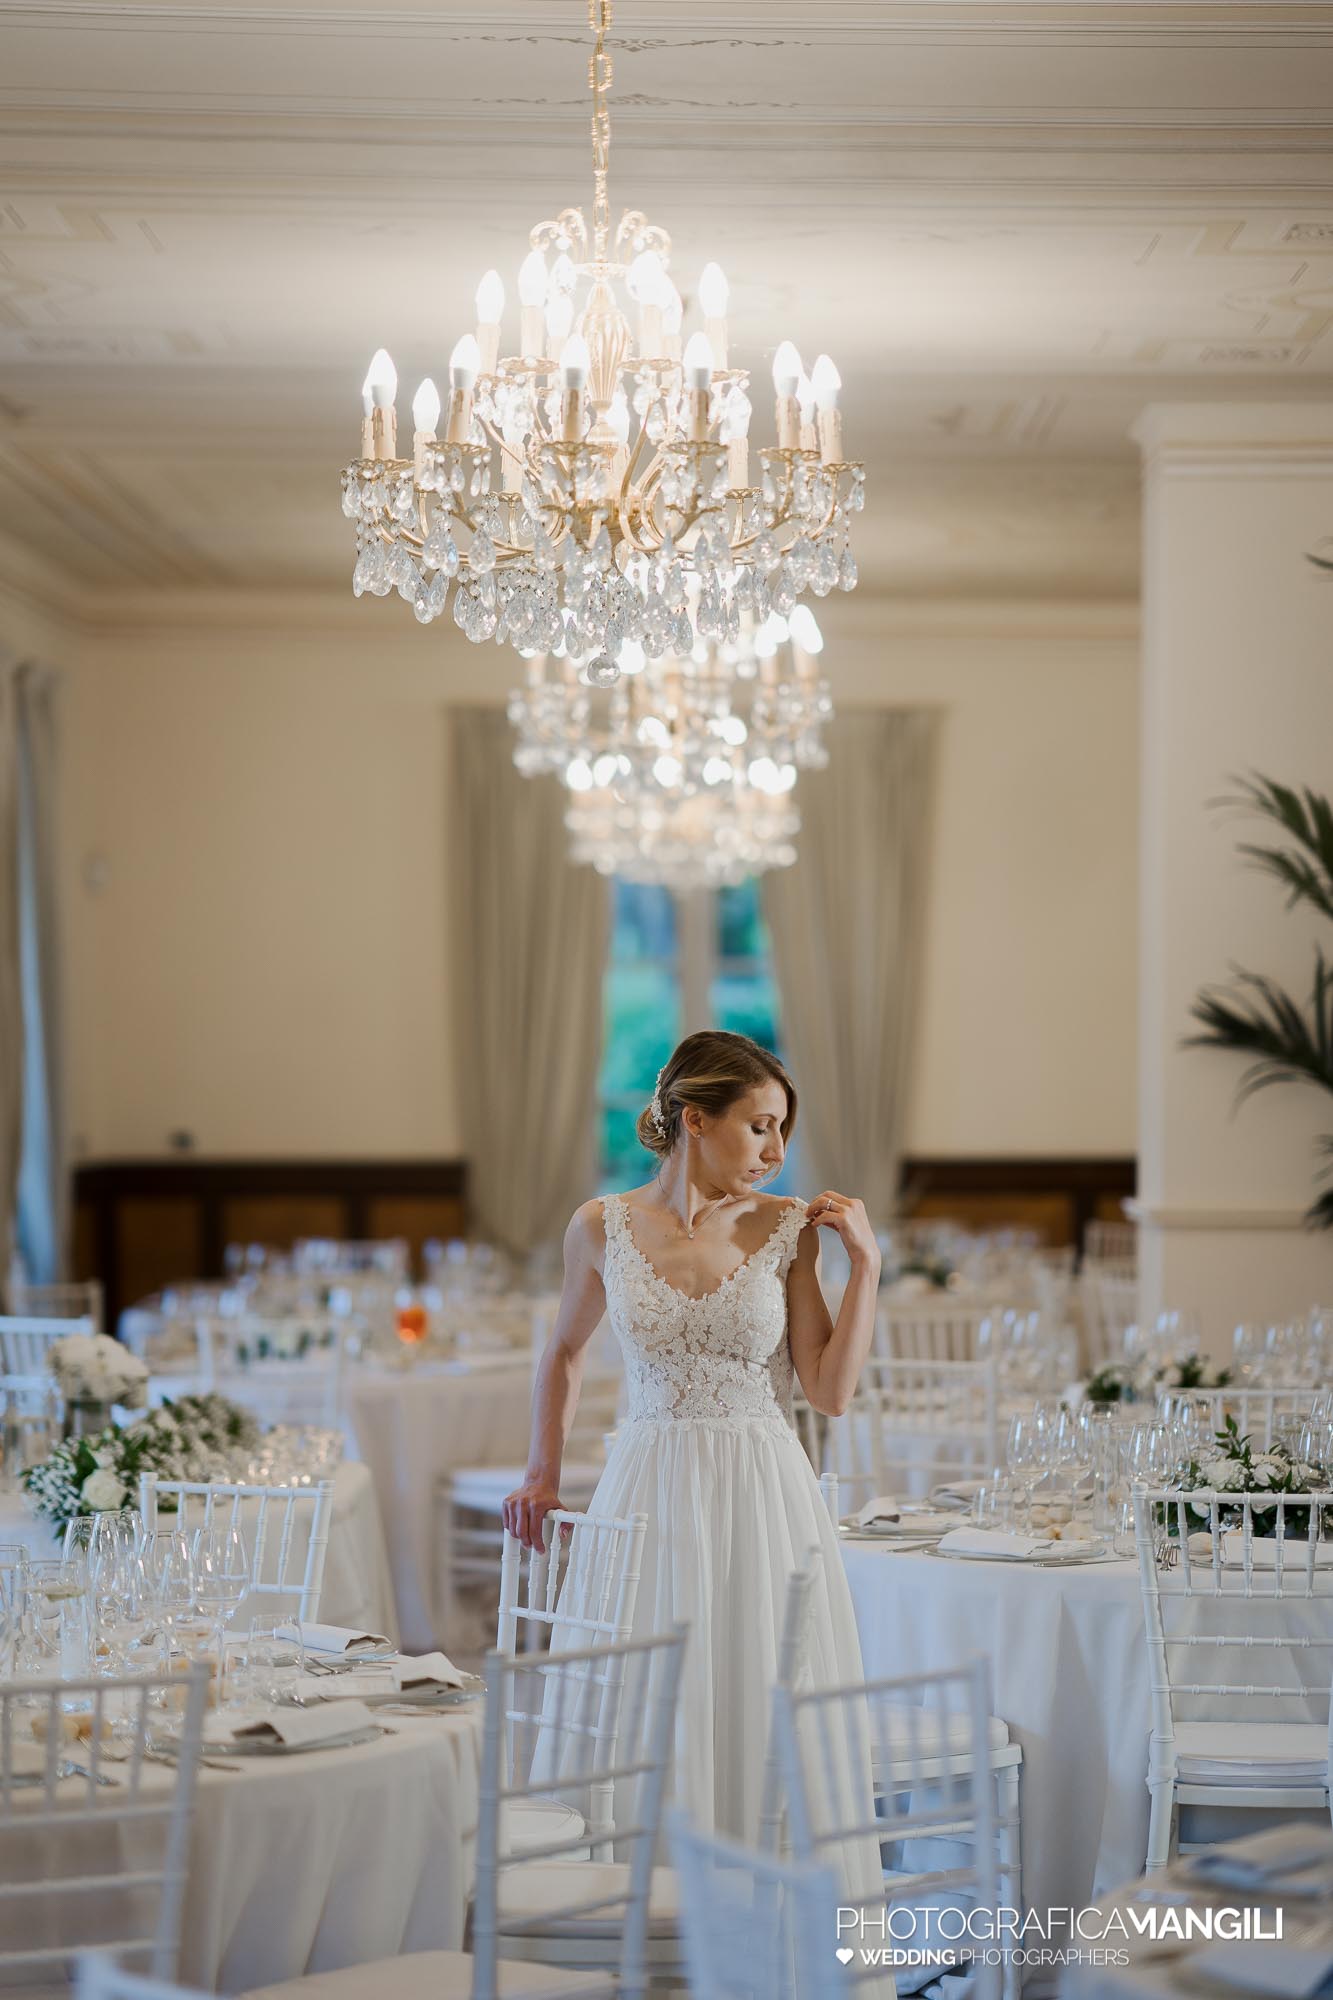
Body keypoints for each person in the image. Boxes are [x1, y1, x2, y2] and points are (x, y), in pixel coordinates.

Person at [501, 1027, 881, 1848]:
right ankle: (631, 1915)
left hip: (761, 1490)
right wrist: (541, 1472)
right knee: (639, 1693)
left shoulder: (789, 1228)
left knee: (753, 1684)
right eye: (759, 1125)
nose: (776, 1149)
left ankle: (761, 1921)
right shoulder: (599, 1226)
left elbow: (830, 1392)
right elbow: (564, 1351)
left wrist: (867, 1268)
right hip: (646, 1488)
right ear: (692, 1119)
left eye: (783, 1128)